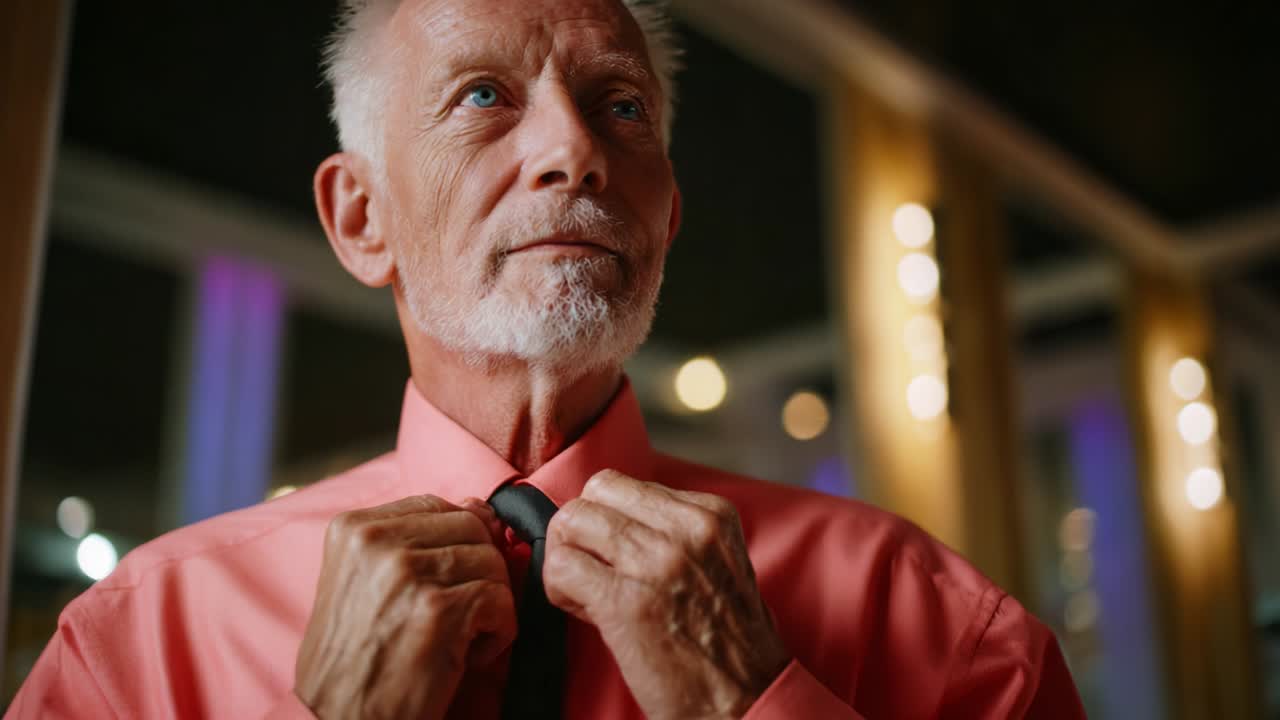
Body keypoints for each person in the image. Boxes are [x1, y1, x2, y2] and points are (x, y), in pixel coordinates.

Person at [9, 0, 1086, 717]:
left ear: (664, 216)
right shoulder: (134, 652)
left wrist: (753, 706)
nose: (576, 151)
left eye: (621, 108)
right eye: (483, 96)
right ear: (359, 216)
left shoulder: (947, 633)